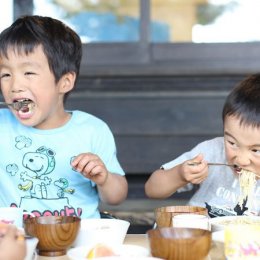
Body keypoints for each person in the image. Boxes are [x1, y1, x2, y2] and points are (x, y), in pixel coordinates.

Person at [0, 15, 128, 218]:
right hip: (15, 244)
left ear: (65, 82)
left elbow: (116, 197)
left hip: (79, 241)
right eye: (5, 75)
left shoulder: (92, 130)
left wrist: (104, 179)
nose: (15, 86)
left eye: (29, 73)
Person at [145, 74, 260, 217]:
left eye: (256, 150)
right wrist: (180, 175)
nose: (241, 160)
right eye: (232, 143)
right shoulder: (212, 152)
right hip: (196, 235)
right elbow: (152, 189)